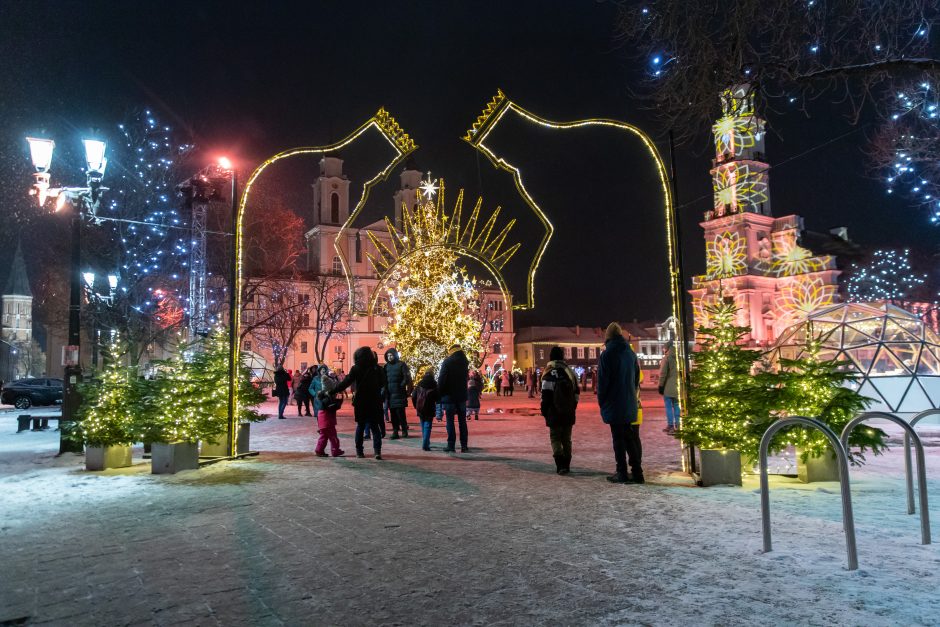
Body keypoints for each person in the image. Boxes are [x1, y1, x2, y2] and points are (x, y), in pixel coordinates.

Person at [597, 322, 644, 484]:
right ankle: (637, 472)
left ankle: (622, 472)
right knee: (630, 436)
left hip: (614, 402)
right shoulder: (630, 354)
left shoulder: (607, 355)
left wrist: (602, 401)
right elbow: (637, 379)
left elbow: (603, 383)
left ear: (608, 336)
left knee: (618, 439)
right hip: (630, 401)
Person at [332, 347, 387, 459]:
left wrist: (332, 391)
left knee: (360, 426)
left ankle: (359, 451)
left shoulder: (356, 368)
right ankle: (377, 452)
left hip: (361, 401)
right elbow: (383, 383)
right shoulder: (377, 369)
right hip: (374, 400)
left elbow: (346, 383)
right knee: (375, 427)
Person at [540, 346, 579, 475]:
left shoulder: (548, 372)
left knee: (555, 438)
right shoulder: (569, 371)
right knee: (566, 438)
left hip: (553, 411)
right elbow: (576, 392)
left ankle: (560, 464)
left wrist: (544, 411)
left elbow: (546, 395)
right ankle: (567, 464)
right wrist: (573, 406)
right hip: (568, 411)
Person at [437, 344, 470, 453]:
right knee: (462, 422)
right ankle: (464, 445)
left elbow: (442, 379)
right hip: (461, 397)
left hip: (449, 396)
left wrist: (439, 393)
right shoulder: (465, 362)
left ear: (451, 351)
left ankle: (451, 445)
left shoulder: (447, 362)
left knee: (450, 421)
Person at [310, 365, 345, 458]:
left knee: (324, 436)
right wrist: (339, 400)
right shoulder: (327, 398)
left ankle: (319, 450)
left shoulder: (326, 396)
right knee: (332, 436)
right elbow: (334, 407)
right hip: (327, 420)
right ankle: (335, 450)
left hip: (324, 419)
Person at [383, 348, 413, 439]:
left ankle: (404, 430)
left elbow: (407, 376)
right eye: (388, 356)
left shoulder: (401, 364)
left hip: (399, 393)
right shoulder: (386, 366)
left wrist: (402, 384)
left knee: (401, 413)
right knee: (393, 414)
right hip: (390, 394)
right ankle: (395, 431)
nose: (389, 357)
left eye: (391, 355)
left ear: (395, 355)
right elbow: (384, 379)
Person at [412, 369, 440, 451]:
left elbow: (413, 396)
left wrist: (416, 406)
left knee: (423, 424)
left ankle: (426, 442)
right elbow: (438, 398)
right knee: (428, 426)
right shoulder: (434, 384)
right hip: (430, 408)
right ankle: (425, 443)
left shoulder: (420, 383)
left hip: (420, 408)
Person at [659, 344, 681, 434]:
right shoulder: (679, 359)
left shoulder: (666, 358)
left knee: (668, 406)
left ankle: (671, 425)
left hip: (668, 387)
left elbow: (663, 374)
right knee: (676, 405)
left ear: (666, 349)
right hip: (678, 386)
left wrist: (660, 386)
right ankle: (678, 425)